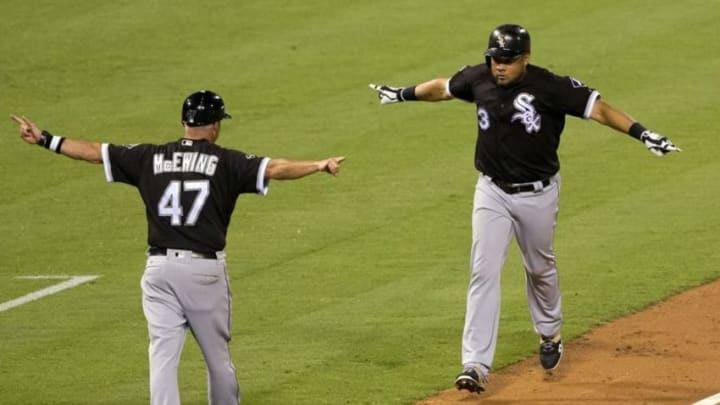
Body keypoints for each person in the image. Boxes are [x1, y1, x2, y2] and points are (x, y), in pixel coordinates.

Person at [369, 24, 680, 394]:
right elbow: (443, 87)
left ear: (525, 58)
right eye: (494, 58)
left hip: (538, 194)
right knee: (483, 271)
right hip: (491, 192)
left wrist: (642, 133)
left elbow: (599, 110)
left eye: (507, 60)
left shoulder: (550, 87)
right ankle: (475, 364)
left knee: (539, 267)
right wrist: (402, 94)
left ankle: (550, 333)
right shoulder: (478, 78)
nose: (499, 66)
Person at [10, 90, 345, 405]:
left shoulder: (149, 156)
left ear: (185, 123)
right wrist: (318, 165)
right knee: (216, 356)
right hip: (204, 273)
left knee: (162, 354)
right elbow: (274, 168)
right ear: (214, 126)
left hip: (159, 271)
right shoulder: (226, 161)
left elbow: (97, 152)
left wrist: (45, 139)